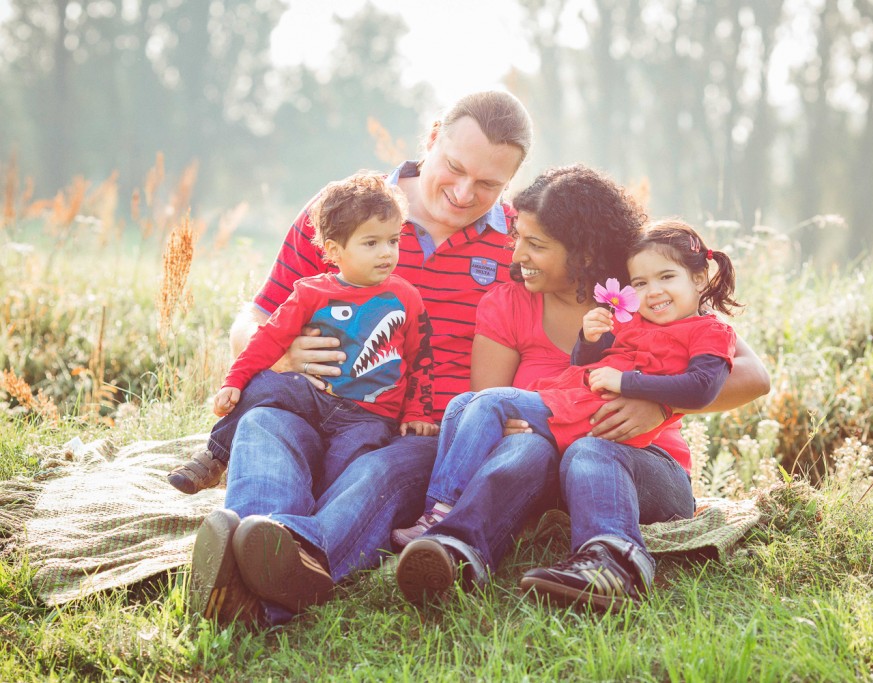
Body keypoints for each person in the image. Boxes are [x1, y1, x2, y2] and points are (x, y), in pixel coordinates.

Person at [188, 90, 533, 626]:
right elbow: (255, 319)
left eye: (488, 184)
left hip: (417, 437)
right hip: (310, 407)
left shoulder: (518, 244)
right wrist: (283, 360)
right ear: (433, 136)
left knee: (381, 470)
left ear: (509, 181)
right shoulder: (345, 209)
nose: (465, 194)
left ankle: (265, 570)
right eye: (455, 168)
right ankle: (259, 551)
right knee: (262, 425)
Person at [391, 167, 770, 611]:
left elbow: (751, 375)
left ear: (583, 251)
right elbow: (488, 406)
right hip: (545, 451)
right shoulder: (511, 304)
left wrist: (658, 404)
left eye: (535, 244)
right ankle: (454, 548)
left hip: (641, 465)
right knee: (528, 448)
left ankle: (611, 564)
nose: (517, 256)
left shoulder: (644, 292)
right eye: (518, 238)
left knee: (590, 451)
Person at [391, 219, 738, 549]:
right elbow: (589, 367)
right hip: (578, 409)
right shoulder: (635, 320)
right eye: (640, 283)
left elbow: (701, 387)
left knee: (488, 403)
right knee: (462, 405)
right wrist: (589, 341)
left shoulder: (710, 330)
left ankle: (442, 511)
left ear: (699, 278)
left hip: (609, 434)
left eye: (666, 277)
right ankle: (440, 512)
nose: (653, 292)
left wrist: (629, 384)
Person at [169, 173, 437, 500]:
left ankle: (311, 521)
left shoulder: (406, 298)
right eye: (371, 243)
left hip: (369, 417)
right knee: (265, 384)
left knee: (347, 469)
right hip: (312, 395)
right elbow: (268, 339)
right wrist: (235, 380)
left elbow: (421, 359)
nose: (386, 253)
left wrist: (417, 413)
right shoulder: (310, 293)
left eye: (393, 241)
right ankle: (215, 457)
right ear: (334, 250)